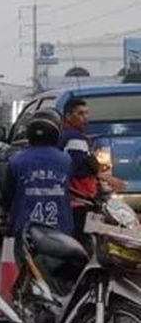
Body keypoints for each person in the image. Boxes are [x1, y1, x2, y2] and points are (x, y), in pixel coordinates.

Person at [0, 110, 74, 257]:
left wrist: (4, 219)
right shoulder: (66, 160)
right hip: (61, 230)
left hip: (25, 231)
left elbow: (7, 196)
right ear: (56, 133)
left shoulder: (16, 161)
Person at [59, 98, 125, 245]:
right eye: (80, 114)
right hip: (79, 199)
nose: (85, 118)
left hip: (73, 199)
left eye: (87, 113)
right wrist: (107, 179)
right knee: (82, 241)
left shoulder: (66, 136)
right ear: (68, 116)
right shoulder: (75, 138)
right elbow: (78, 168)